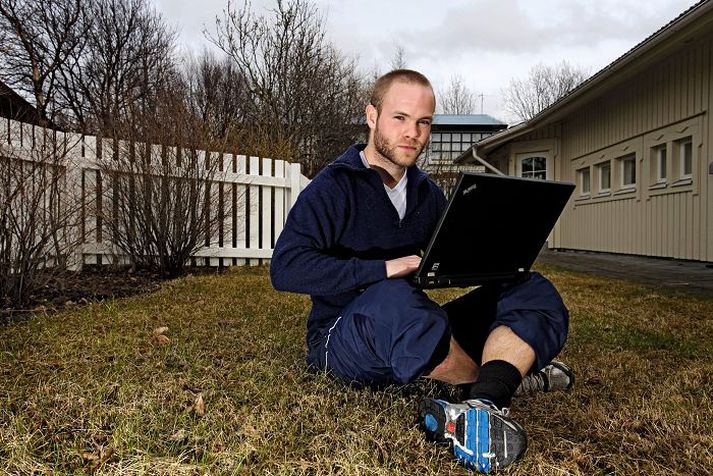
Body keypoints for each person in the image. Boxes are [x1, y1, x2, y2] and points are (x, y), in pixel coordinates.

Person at [269, 69, 573, 474]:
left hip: (416, 324)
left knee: (529, 287)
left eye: (423, 122)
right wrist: (384, 268)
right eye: (400, 118)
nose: (412, 133)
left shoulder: (428, 194)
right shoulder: (332, 187)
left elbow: (444, 261)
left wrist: (492, 259)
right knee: (394, 298)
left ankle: (484, 402)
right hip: (341, 335)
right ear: (372, 116)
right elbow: (286, 268)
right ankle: (501, 379)